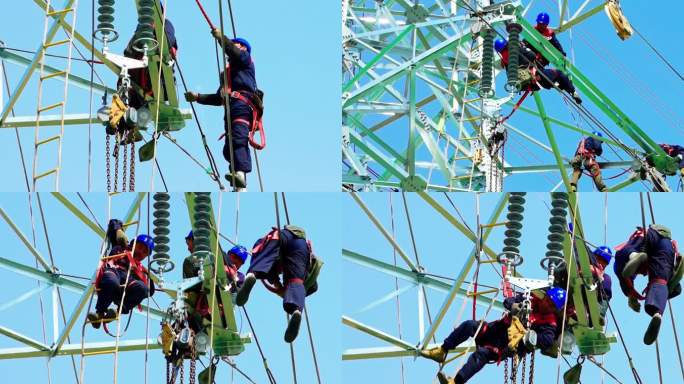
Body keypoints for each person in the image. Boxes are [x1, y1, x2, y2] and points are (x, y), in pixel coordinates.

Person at [422, 287, 567, 384]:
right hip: (495, 329)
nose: (547, 304)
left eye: (551, 305)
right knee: (470, 325)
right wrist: (513, 305)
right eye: (548, 300)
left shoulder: (549, 322)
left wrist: (526, 335)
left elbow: (547, 340)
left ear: (555, 309)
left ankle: (455, 382)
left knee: (481, 355)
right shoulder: (530, 299)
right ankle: (442, 350)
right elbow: (509, 301)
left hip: (503, 345)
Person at [184, 29, 261, 191]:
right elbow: (219, 99)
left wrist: (221, 38)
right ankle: (236, 176)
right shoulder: (228, 74)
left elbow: (233, 51)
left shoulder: (246, 60)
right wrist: (198, 97)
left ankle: (240, 174)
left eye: (235, 44)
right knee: (228, 148)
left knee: (239, 137)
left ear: (244, 47)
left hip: (242, 104)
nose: (232, 46)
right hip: (231, 108)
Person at [235, 225, 318, 342]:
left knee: (264, 256)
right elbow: (295, 283)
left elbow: (274, 276)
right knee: (296, 281)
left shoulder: (299, 276)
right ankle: (296, 310)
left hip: (281, 236)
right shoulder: (304, 277)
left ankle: (253, 274)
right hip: (301, 246)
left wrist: (278, 286)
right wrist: (280, 289)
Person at [614, 224, 681, 344]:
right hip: (667, 245)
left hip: (649, 234)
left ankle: (633, 255)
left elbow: (626, 276)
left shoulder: (644, 235)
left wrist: (630, 294)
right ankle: (657, 314)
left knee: (620, 258)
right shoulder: (656, 257)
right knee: (659, 281)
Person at [88, 225, 156, 329]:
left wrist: (149, 276)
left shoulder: (140, 269)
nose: (140, 252)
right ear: (133, 243)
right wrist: (119, 230)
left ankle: (117, 311)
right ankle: (99, 314)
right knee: (112, 281)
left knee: (143, 288)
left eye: (145, 252)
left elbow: (149, 291)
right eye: (140, 247)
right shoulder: (121, 247)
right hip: (113, 274)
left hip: (124, 289)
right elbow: (113, 223)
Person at [494, 38, 581, 104]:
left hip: (531, 86)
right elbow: (532, 56)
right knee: (559, 74)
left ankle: (559, 84)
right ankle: (573, 92)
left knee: (555, 80)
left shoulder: (505, 62)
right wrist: (524, 48)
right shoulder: (516, 50)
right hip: (538, 77)